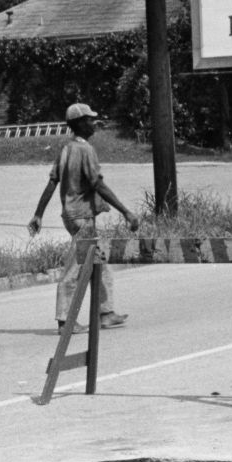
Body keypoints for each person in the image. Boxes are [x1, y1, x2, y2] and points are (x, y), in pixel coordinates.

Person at [28, 102, 140, 332]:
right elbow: (97, 184)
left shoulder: (66, 148)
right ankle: (64, 320)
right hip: (81, 217)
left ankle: (106, 313)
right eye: (89, 119)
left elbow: (52, 182)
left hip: (72, 215)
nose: (94, 122)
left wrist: (38, 214)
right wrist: (126, 211)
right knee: (75, 267)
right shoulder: (85, 150)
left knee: (100, 263)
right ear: (79, 123)